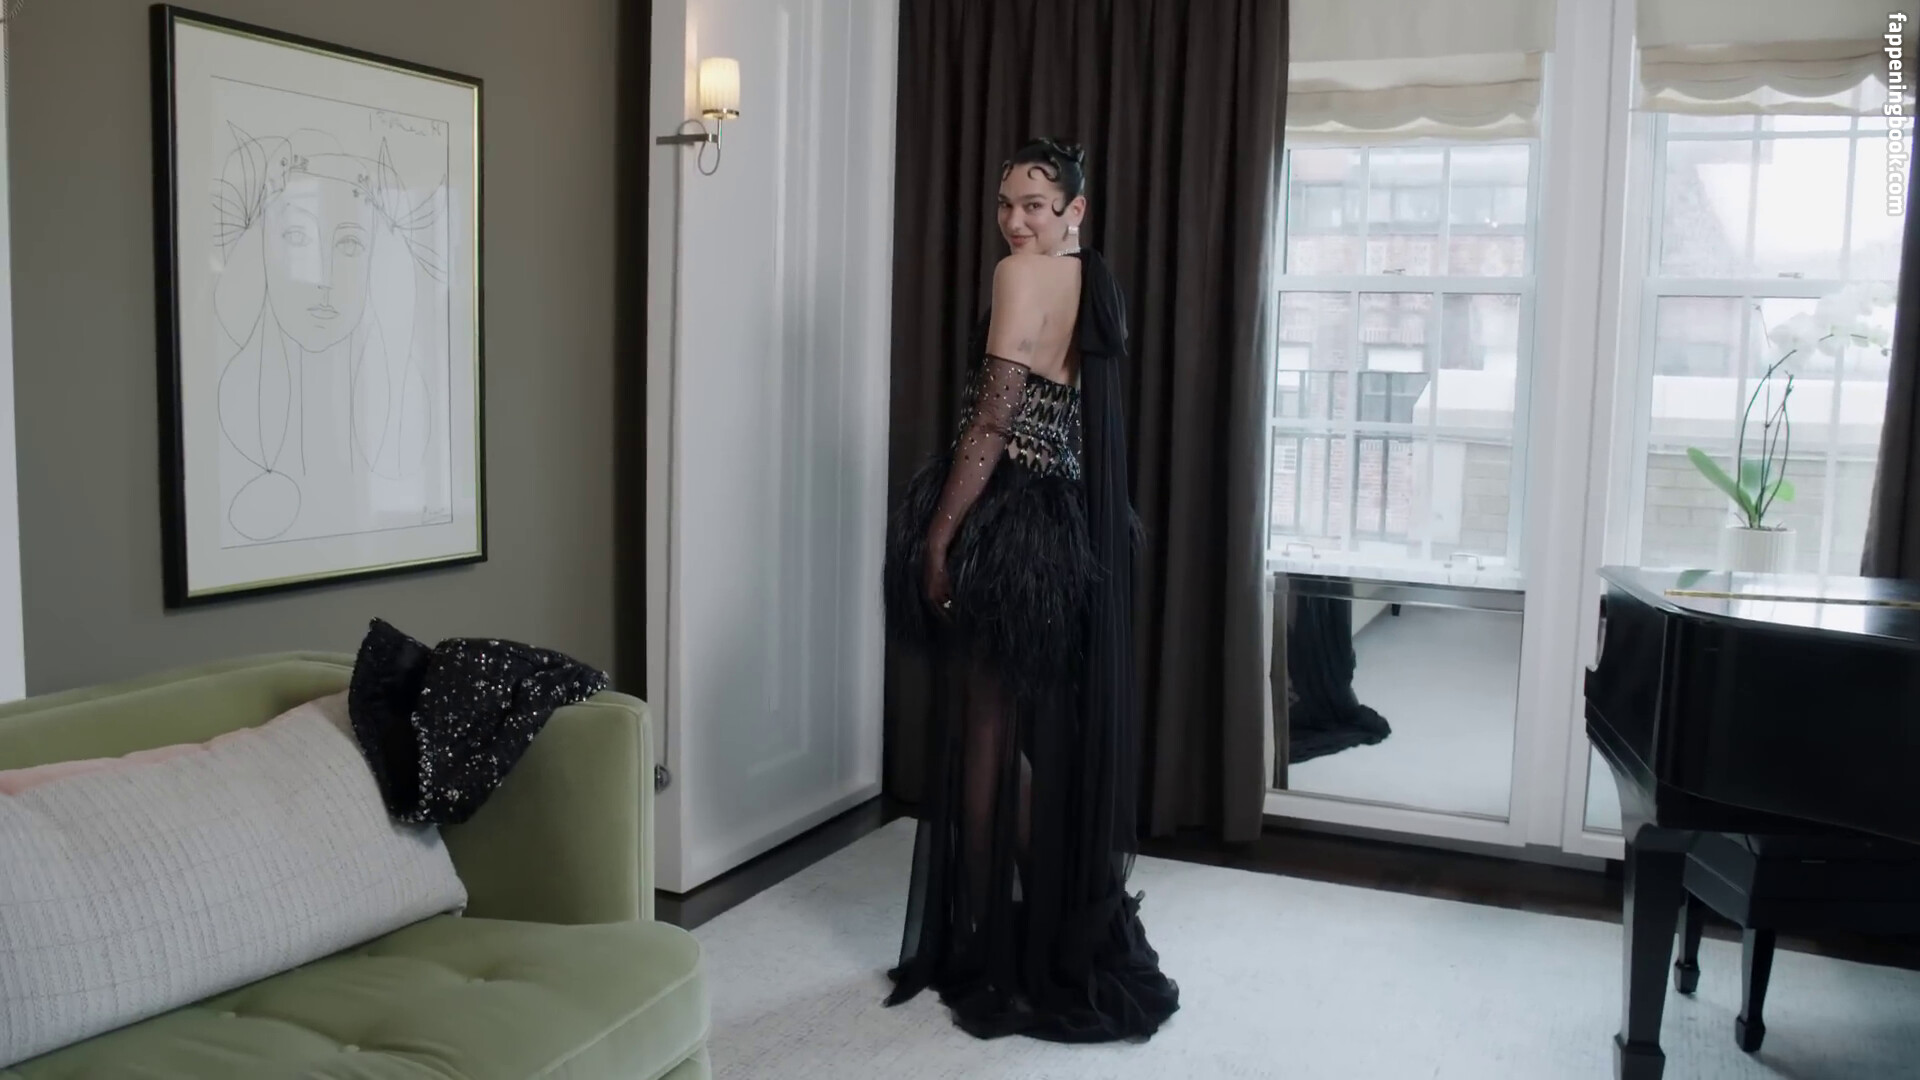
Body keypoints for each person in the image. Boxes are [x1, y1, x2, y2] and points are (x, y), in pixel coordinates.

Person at [882, 137, 1179, 1043]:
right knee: (1010, 731)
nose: (1015, 221)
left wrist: (941, 535)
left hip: (1008, 521)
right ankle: (1054, 912)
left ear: (1074, 210)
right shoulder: (1095, 280)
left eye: (1036, 205)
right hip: (1065, 526)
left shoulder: (1022, 276)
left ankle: (991, 947)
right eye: (1006, 203)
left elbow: (994, 418)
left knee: (985, 735)